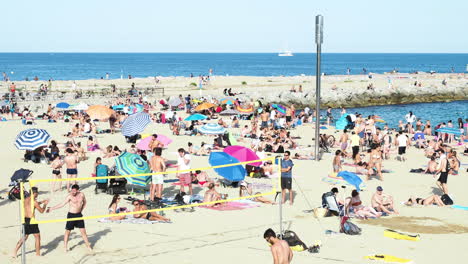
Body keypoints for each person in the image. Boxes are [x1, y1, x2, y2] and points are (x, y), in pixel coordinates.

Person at [47, 184, 92, 252]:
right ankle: (65, 247)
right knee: (68, 231)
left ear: (77, 190)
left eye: (74, 191)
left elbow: (85, 202)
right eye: (72, 191)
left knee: (83, 231)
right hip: (71, 215)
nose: (72, 192)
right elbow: (62, 204)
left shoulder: (82, 194)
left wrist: (81, 210)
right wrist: (52, 208)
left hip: (79, 215)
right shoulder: (69, 196)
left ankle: (88, 246)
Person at [12, 187, 48, 258]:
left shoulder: (25, 199)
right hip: (32, 220)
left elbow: (33, 204)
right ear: (35, 193)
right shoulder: (34, 202)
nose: (38, 194)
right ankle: (38, 254)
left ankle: (14, 252)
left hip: (25, 219)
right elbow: (41, 211)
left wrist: (41, 201)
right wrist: (45, 204)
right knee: (37, 237)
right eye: (37, 193)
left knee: (24, 237)